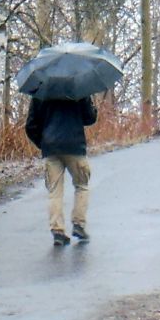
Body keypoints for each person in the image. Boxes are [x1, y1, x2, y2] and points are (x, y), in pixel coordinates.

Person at [25, 95, 97, 246]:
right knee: (81, 185)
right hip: (75, 146)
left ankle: (58, 231)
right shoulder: (78, 88)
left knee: (54, 191)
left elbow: (30, 126)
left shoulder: (41, 91)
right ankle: (78, 224)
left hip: (51, 148)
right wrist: (92, 106)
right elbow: (89, 118)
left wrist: (43, 143)